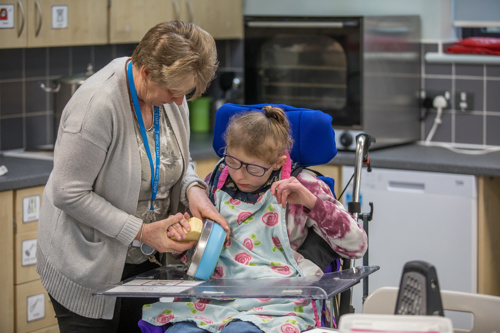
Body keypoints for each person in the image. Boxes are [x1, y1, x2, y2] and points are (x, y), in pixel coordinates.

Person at [36, 21, 229, 333]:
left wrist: (194, 191)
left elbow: (176, 159)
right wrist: (141, 232)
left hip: (144, 266)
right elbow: (67, 193)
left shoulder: (169, 98)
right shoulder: (97, 105)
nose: (181, 102)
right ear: (147, 72)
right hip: (88, 265)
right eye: (175, 92)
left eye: (187, 92)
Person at [141, 105, 367, 333]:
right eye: (233, 161)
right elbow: (197, 254)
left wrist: (313, 204)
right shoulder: (216, 183)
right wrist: (183, 241)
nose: (239, 175)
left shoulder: (304, 186)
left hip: (277, 302)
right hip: (213, 298)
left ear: (277, 162)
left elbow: (357, 246)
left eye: (253, 168)